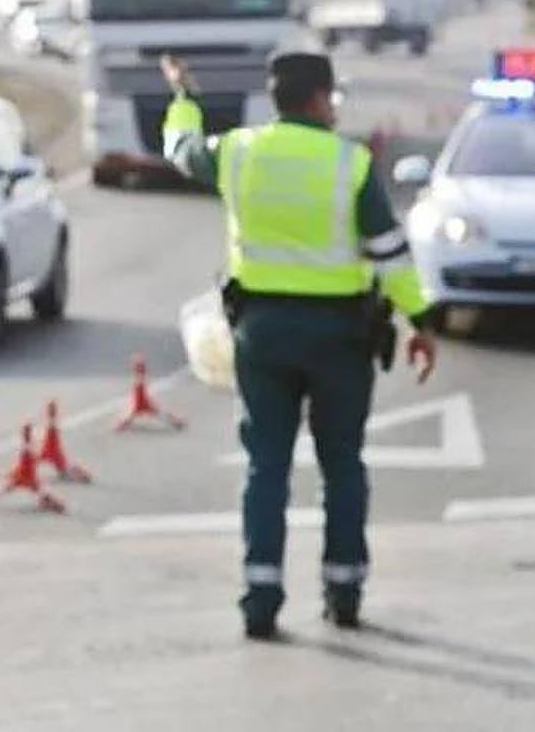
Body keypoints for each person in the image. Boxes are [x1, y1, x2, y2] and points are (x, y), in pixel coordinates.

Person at [159, 51, 438, 639]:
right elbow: (389, 254)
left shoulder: (237, 151)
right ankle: (343, 589)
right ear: (318, 99)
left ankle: (260, 595)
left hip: (261, 333)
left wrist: (184, 98)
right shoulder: (350, 164)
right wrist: (421, 321)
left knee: (266, 466)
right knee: (341, 465)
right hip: (340, 338)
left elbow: (182, 152)